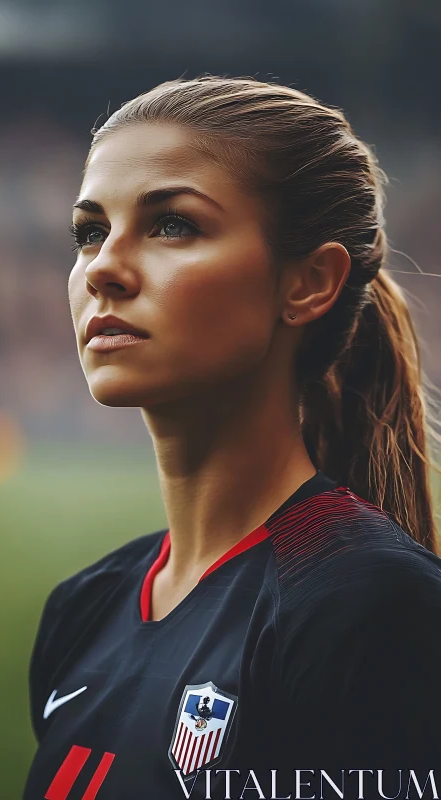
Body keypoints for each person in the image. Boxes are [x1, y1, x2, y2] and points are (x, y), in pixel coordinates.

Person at [23, 75, 441, 800]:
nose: (104, 270)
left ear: (308, 282)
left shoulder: (373, 606)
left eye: (172, 224)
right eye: (89, 232)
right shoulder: (81, 610)